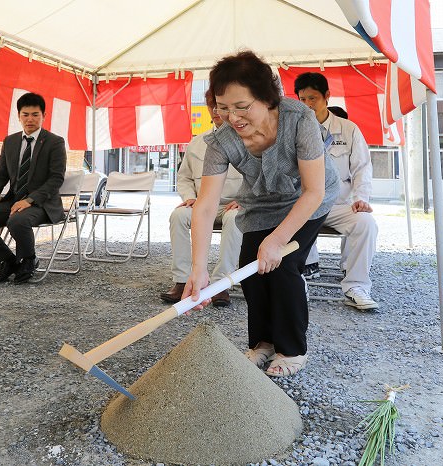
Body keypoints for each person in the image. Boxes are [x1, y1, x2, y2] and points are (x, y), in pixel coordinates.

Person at [183, 51, 339, 378]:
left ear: (267, 99)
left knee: (281, 266)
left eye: (242, 107)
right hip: (262, 203)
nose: (232, 117)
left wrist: (278, 239)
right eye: (223, 107)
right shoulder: (220, 141)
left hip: (308, 198)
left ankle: (292, 349)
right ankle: (263, 343)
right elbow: (206, 204)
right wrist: (198, 269)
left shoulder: (299, 119)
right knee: (250, 269)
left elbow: (314, 191)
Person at [295, 72, 379, 310]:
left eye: (313, 98)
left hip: (340, 204)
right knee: (281, 220)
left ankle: (356, 286)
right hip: (305, 204)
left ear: (327, 97)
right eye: (302, 100)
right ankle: (295, 282)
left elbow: (362, 167)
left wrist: (361, 199)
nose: (308, 105)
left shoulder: (348, 129)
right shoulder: (294, 130)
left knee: (366, 224)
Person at [0, 92, 67, 285]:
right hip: (13, 201)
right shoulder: (10, 141)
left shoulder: (55, 142)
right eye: (25, 114)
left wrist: (30, 200)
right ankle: (8, 261)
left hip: (42, 204)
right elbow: (0, 175)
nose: (30, 119)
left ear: (44, 116)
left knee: (18, 220)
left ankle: (28, 260)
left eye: (35, 114)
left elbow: (56, 179)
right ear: (18, 116)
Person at [160, 90, 243, 307]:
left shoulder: (246, 140)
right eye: (213, 106)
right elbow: (185, 177)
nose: (217, 111)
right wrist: (189, 197)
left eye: (222, 107)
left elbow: (258, 178)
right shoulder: (197, 142)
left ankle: (221, 284)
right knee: (178, 215)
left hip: (234, 205)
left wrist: (246, 200)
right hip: (202, 202)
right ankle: (181, 279)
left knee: (235, 220)